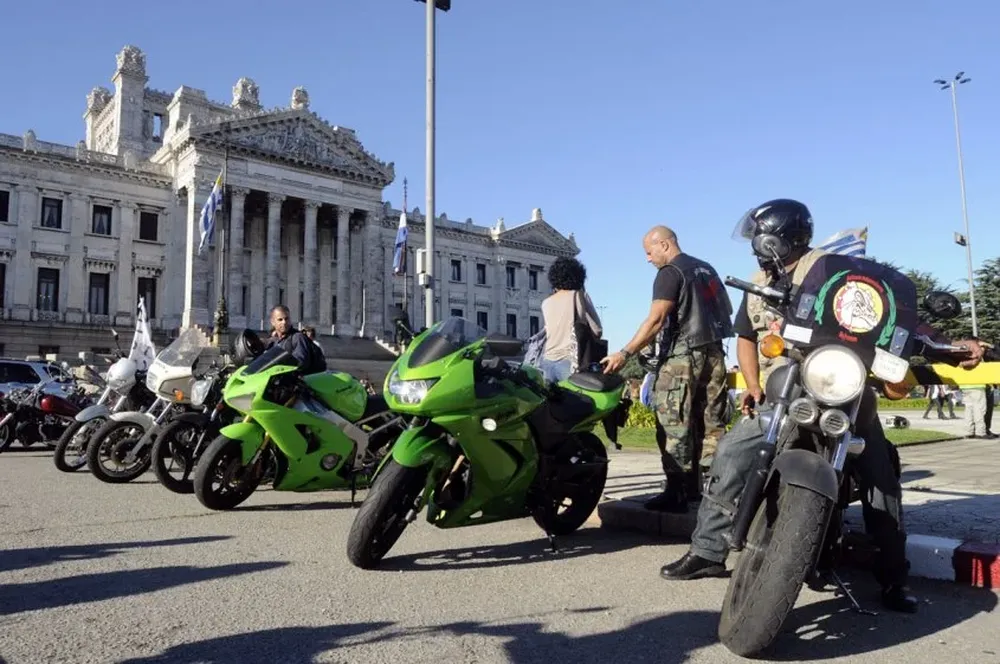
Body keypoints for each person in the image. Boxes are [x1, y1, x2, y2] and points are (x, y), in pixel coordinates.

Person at [658, 199, 984, 615]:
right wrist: (754, 384)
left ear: (775, 238)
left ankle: (893, 578)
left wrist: (951, 348)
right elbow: (744, 335)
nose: (755, 247)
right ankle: (707, 551)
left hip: (846, 381)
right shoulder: (762, 280)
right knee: (735, 449)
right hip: (791, 378)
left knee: (879, 474)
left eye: (759, 239)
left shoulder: (836, 270)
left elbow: (892, 313)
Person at [600, 226, 734, 513]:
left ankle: (677, 491)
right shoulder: (706, 269)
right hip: (714, 352)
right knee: (711, 423)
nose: (648, 259)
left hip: (683, 355)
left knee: (673, 422)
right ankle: (711, 490)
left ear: (663, 244)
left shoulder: (671, 272)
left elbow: (657, 319)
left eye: (649, 252)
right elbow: (726, 312)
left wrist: (625, 353)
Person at [532, 257, 603, 382]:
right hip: (569, 361)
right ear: (578, 276)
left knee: (551, 401)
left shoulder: (546, 303)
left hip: (547, 361)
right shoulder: (578, 295)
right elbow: (597, 330)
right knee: (577, 399)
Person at [267, 305, 327, 374]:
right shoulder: (276, 342)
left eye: (287, 319)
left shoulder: (298, 337)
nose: (284, 322)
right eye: (280, 319)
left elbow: (300, 362)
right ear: (273, 322)